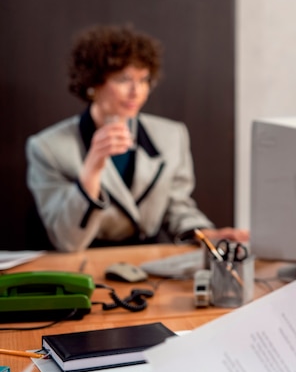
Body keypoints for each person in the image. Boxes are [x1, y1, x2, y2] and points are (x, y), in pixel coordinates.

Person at [26, 24, 248, 252]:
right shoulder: (48, 148)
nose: (137, 91)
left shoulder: (172, 136)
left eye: (144, 80)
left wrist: (205, 234)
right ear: (92, 82)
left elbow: (176, 208)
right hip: (85, 265)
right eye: (124, 79)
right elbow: (67, 240)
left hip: (147, 265)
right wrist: (91, 170)